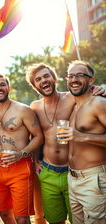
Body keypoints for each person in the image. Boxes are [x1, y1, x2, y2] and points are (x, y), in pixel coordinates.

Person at [26, 63, 106, 224]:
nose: (43, 81)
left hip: (78, 171)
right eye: (38, 79)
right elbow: (35, 136)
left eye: (46, 76)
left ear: (55, 78)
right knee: (59, 219)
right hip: (51, 172)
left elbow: (87, 93)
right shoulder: (34, 107)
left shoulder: (72, 98)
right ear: (35, 86)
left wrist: (99, 89)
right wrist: (36, 162)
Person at [0, 73, 44, 224]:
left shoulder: (23, 110)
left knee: (22, 218)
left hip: (20, 167)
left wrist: (21, 153)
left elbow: (39, 136)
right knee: (5, 214)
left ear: (8, 88)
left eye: (2, 85)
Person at [64, 61, 106, 224]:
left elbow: (80, 136)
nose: (74, 79)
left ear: (91, 80)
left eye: (80, 75)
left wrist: (83, 136)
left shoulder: (99, 103)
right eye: (71, 76)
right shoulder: (74, 106)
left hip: (94, 179)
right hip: (72, 178)